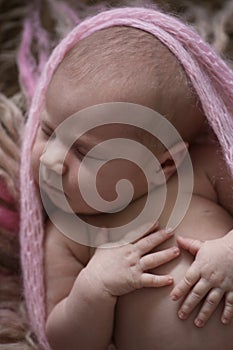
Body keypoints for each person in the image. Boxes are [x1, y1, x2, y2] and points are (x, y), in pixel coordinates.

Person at [20, 6, 233, 350]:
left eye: (85, 152)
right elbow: (64, 341)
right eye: (47, 130)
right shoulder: (68, 232)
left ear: (162, 164)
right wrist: (94, 288)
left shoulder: (203, 171)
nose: (52, 158)